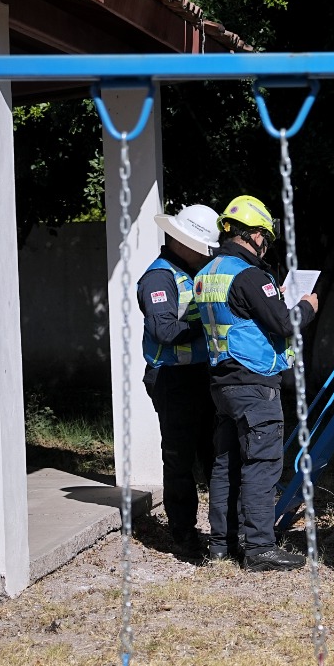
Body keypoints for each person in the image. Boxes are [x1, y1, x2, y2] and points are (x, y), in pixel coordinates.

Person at [194, 194, 319, 571]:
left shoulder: (207, 273)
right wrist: (308, 307)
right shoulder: (248, 275)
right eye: (264, 236)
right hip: (254, 383)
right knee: (261, 464)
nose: (266, 244)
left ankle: (221, 544)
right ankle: (261, 548)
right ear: (251, 235)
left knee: (226, 464)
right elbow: (284, 324)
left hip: (222, 382)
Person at [137, 203, 220, 561]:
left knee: (215, 456)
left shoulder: (194, 272)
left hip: (202, 375)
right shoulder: (160, 277)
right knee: (180, 460)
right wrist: (214, 324)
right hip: (173, 379)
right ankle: (184, 535)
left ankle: (222, 535)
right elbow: (164, 329)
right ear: (181, 241)